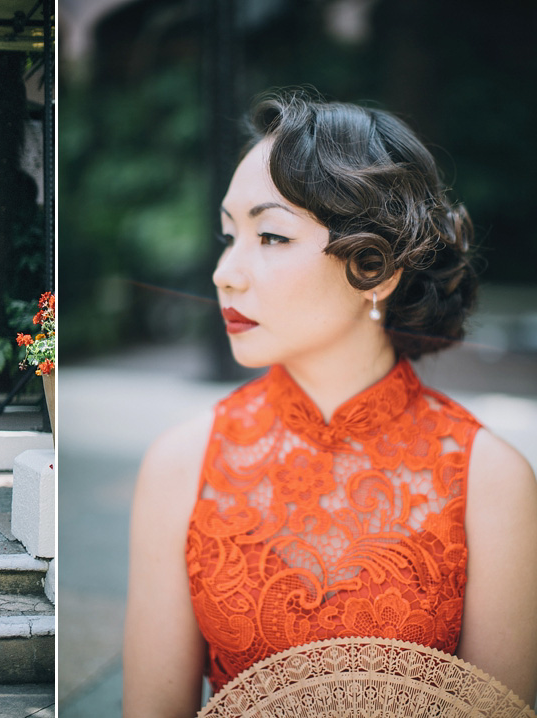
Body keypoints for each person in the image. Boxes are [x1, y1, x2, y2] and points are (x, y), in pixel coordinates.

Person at [122, 89, 537, 717]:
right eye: (228, 234)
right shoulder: (182, 465)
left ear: (377, 267)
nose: (224, 272)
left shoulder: (491, 479)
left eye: (270, 236)